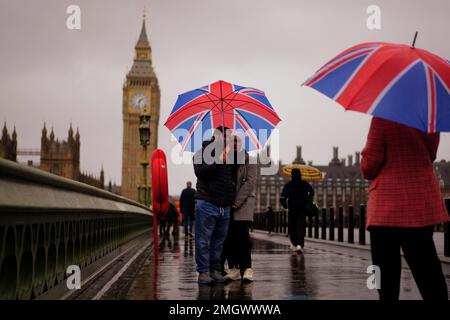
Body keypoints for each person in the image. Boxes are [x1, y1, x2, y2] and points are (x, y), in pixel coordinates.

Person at [361, 117, 449, 301]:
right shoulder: (430, 116)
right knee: (427, 269)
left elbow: (369, 167)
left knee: (384, 273)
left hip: (386, 207)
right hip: (420, 202)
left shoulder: (382, 117)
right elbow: (431, 154)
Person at [193, 127, 235, 285]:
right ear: (217, 137)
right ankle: (203, 272)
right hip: (207, 202)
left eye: (230, 138)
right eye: (227, 137)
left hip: (225, 205)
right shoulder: (201, 153)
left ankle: (215, 270)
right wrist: (217, 159)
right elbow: (200, 172)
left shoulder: (228, 155)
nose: (229, 140)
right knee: (203, 240)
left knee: (219, 241)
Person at [222, 136, 257, 282]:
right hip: (227, 205)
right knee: (229, 238)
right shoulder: (225, 160)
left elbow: (250, 183)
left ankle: (247, 269)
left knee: (243, 237)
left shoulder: (250, 160)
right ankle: (234, 268)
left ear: (241, 144)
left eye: (237, 141)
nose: (234, 143)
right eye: (232, 141)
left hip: (242, 205)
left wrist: (236, 202)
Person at [280, 168, 314, 253]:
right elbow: (312, 192)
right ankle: (300, 244)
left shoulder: (289, 185)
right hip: (302, 209)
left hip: (293, 209)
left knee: (293, 227)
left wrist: (285, 206)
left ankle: (294, 243)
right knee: (301, 226)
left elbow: (282, 198)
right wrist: (307, 199)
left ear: (292, 175)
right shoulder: (305, 184)